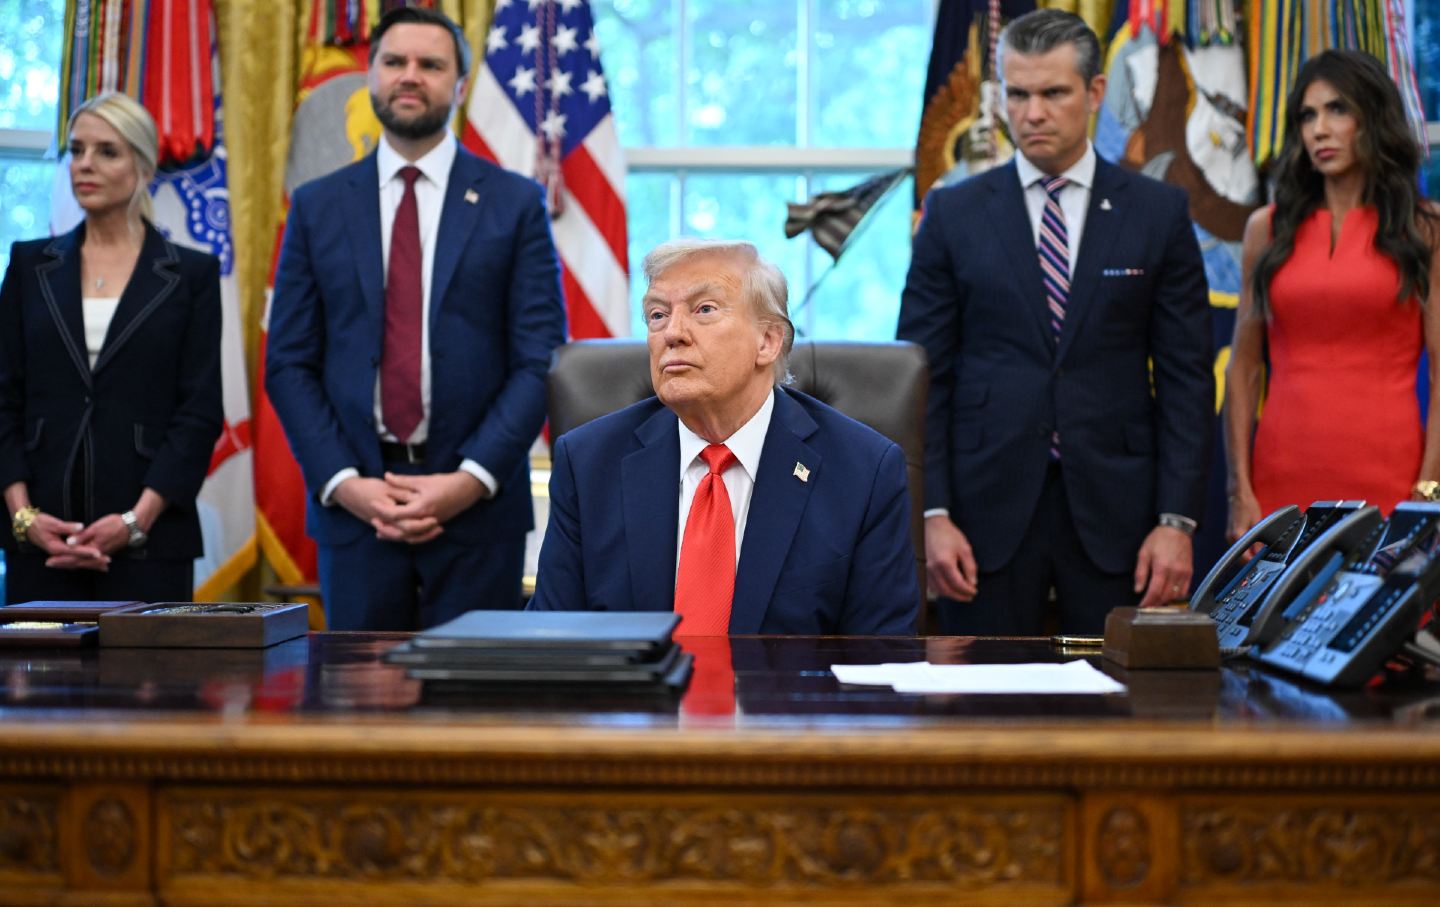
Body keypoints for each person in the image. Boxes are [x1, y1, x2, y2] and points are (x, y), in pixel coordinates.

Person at [896, 9, 1213, 636]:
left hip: (1121, 518)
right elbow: (922, 379)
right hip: (980, 520)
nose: (1032, 113)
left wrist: (1177, 522)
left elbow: (1187, 381)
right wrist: (930, 513)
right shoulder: (953, 214)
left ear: (1094, 94)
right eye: (1018, 94)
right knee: (983, 718)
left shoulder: (1158, 212)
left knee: (1120, 716)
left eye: (1053, 93)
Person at [267, 7, 565, 630]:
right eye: (394, 62)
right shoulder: (317, 207)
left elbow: (539, 358)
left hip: (478, 512)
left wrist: (468, 479)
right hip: (356, 511)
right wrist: (346, 483)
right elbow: (289, 363)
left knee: (473, 714)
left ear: (459, 85)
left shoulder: (514, 203)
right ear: (370, 75)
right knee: (359, 712)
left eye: (430, 65)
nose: (410, 76)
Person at [529, 239, 918, 635]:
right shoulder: (589, 462)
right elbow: (550, 642)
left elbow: (879, 662)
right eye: (657, 315)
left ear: (767, 341)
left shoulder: (863, 471)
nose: (672, 333)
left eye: (704, 310)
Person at [0, 92, 222, 604]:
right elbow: (3, 397)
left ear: (143, 166)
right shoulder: (30, 265)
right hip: (40, 538)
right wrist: (23, 517)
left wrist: (136, 521)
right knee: (34, 682)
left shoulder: (191, 274)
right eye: (76, 150)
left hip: (152, 541)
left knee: (154, 682)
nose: (85, 165)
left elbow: (199, 411)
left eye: (106, 151)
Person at [1225, 50, 1440, 538]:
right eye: (1308, 115)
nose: (1319, 129)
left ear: (1373, 116)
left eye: (1337, 109)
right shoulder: (1267, 229)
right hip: (1280, 476)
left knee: (1382, 613)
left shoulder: (1424, 228)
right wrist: (1240, 490)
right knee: (1276, 613)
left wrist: (1430, 491)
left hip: (1392, 475)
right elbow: (1243, 367)